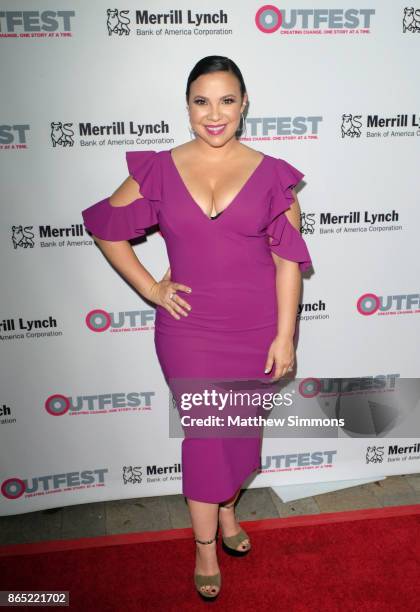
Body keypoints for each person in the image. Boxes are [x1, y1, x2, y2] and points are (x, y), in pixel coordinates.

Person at [81, 55, 312, 601]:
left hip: (255, 328)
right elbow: (106, 228)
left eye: (227, 100)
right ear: (187, 107)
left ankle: (228, 515)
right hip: (189, 331)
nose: (215, 114)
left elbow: (287, 265)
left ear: (244, 104)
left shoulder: (273, 174)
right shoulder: (159, 169)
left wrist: (284, 336)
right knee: (207, 435)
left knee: (234, 431)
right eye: (202, 101)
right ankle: (205, 546)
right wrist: (151, 289)